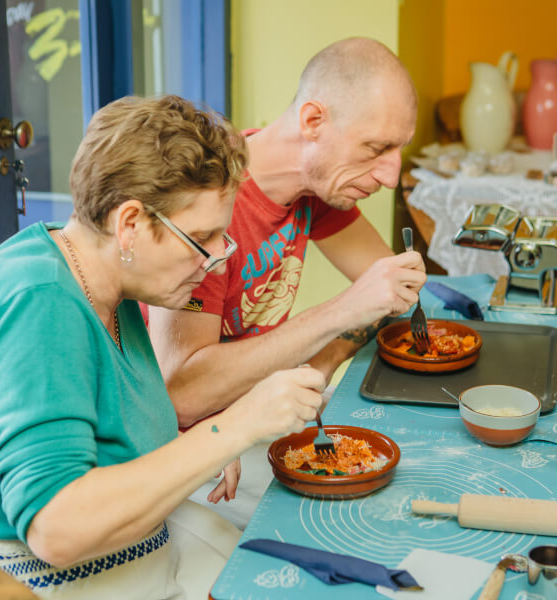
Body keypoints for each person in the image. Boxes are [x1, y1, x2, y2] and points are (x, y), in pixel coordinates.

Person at [0, 95, 325, 599]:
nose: (220, 260)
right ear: (130, 224)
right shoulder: (38, 305)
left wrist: (191, 441)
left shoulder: (105, 280)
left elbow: (103, 417)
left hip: (139, 555)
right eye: (204, 237)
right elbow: (58, 529)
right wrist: (233, 426)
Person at [146, 37, 424, 528]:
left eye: (398, 149)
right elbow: (182, 391)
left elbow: (389, 285)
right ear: (313, 122)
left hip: (257, 417)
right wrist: (341, 313)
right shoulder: (210, 206)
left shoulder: (314, 187)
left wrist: (324, 359)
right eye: (377, 148)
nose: (391, 174)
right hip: (190, 453)